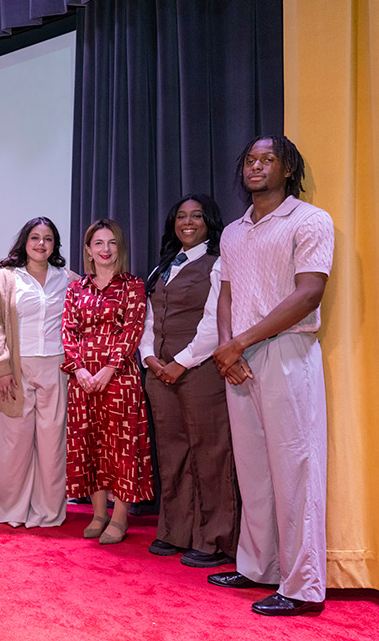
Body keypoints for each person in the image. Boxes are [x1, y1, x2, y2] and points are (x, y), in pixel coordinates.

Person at [208, 135, 332, 616]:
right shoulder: (234, 231)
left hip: (286, 353)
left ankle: (303, 587)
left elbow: (308, 296)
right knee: (254, 470)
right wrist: (227, 346)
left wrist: (240, 342)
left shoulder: (310, 220)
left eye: (268, 159)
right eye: (250, 160)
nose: (256, 166)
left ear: (288, 168)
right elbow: (226, 294)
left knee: (296, 470)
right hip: (236, 361)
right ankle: (259, 566)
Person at [138, 194, 239, 567]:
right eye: (181, 216)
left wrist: (180, 363)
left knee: (210, 454)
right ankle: (175, 531)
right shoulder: (163, 267)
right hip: (159, 373)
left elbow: (215, 322)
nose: (188, 222)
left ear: (209, 222)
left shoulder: (217, 264)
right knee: (173, 455)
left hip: (200, 372)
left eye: (196, 216)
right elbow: (149, 319)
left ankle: (214, 539)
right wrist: (149, 358)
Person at [62, 219, 153, 545]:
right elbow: (68, 331)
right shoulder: (76, 289)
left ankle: (119, 517)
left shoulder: (133, 286)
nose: (105, 249)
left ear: (120, 248)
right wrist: (81, 370)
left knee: (119, 449)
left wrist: (109, 369)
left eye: (111, 242)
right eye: (98, 243)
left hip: (119, 380)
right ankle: (98, 513)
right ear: (88, 250)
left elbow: (132, 330)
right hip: (83, 380)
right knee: (90, 445)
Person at [0, 217, 79, 528]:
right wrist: (1, 367)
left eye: (49, 238)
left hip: (56, 367)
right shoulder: (6, 278)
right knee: (15, 443)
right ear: (24, 242)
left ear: (55, 245)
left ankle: (48, 512)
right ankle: (12, 510)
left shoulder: (67, 278)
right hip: (16, 368)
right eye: (35, 238)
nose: (42, 244)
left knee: (53, 444)